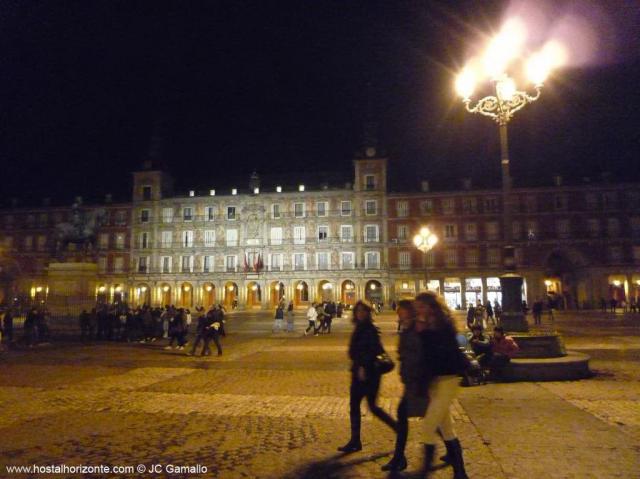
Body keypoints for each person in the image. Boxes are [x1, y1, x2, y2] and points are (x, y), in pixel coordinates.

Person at [411, 292, 469, 478]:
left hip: (448, 378)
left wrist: (423, 332)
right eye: (417, 307)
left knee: (428, 428)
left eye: (421, 306)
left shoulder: (442, 324)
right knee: (446, 428)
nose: (418, 310)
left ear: (430, 306)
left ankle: (424, 472)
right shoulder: (428, 324)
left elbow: (439, 351)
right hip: (435, 380)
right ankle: (460, 473)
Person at [337, 301, 397, 453]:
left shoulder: (369, 329)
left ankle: (398, 428)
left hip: (368, 373)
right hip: (359, 371)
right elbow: (354, 351)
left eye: (363, 311)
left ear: (368, 313)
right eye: (358, 311)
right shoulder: (360, 328)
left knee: (372, 407)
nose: (360, 313)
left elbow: (372, 350)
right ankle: (355, 440)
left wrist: (363, 366)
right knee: (355, 406)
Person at [382, 300, 424, 472]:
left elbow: (418, 355)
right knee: (435, 420)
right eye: (398, 312)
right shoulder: (409, 329)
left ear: (409, 312)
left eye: (401, 312)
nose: (398, 314)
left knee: (407, 416)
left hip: (417, 382)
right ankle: (399, 458)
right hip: (412, 380)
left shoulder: (416, 330)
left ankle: (400, 458)